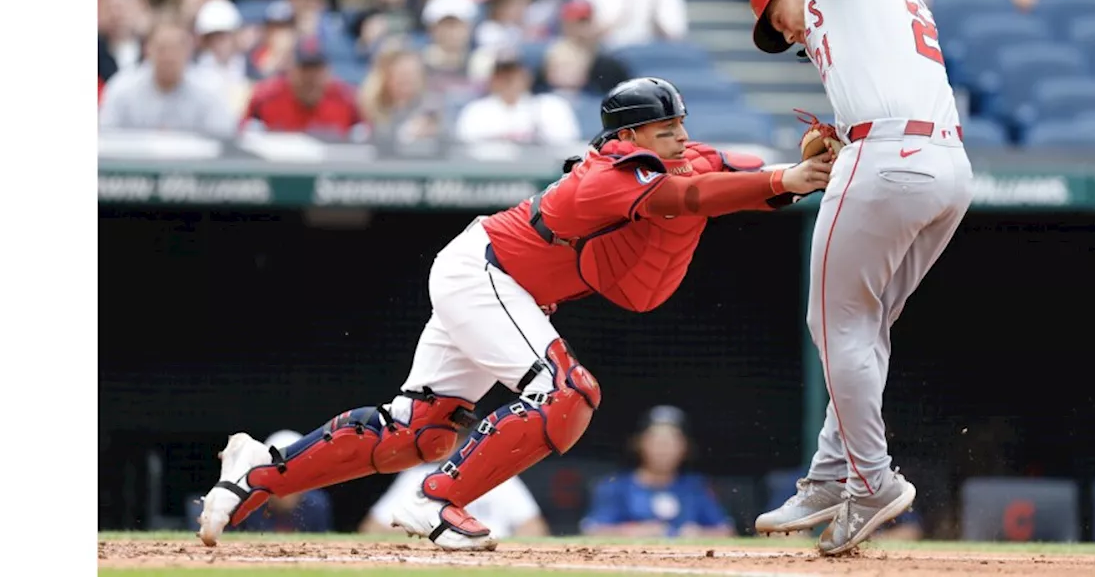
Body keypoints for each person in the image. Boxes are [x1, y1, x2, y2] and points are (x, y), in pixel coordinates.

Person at [195, 77, 832, 552]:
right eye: (666, 130)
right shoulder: (605, 176)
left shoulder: (666, 156)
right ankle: (438, 500)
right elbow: (689, 193)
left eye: (680, 124)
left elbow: (725, 168)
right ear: (628, 136)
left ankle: (254, 474)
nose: (681, 137)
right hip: (487, 271)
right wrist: (785, 181)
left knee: (417, 432)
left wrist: (798, 166)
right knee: (568, 391)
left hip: (496, 281)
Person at [707, 0, 975, 557]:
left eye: (778, 16)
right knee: (865, 326)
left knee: (832, 323)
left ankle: (871, 478)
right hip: (946, 166)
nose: (786, 33)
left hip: (886, 159)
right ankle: (834, 474)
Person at [581, 406, 735, 538]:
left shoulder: (696, 487)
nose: (663, 449)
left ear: (685, 447)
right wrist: (634, 532)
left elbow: (725, 530)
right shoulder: (615, 486)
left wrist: (697, 533)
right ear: (640, 444)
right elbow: (592, 529)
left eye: (671, 442)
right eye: (657, 441)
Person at [99, 17, 236, 136]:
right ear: (147, 49)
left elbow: (224, 141)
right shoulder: (122, 88)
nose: (169, 57)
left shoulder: (211, 89)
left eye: (176, 48)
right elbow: (105, 138)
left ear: (190, 49)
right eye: (162, 48)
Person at [360, 462, 548, 537]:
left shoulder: (497, 476)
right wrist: (429, 537)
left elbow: (534, 528)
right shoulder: (418, 476)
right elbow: (372, 528)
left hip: (488, 556)